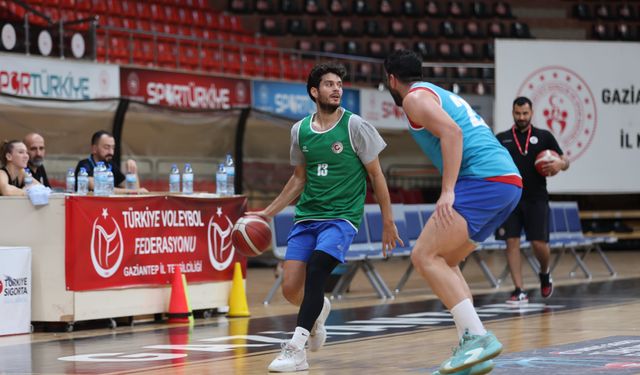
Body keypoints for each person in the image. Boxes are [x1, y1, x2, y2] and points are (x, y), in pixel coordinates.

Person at [254, 62, 403, 372]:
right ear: (314, 91)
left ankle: (296, 348)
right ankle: (319, 314)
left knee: (319, 268)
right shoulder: (300, 130)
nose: (337, 88)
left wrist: (388, 221)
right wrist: (267, 213)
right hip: (307, 216)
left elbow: (376, 175)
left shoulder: (355, 126)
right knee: (291, 287)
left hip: (342, 217)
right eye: (329, 84)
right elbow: (298, 178)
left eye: (339, 84)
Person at [384, 49, 522, 375]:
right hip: (508, 182)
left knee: (424, 255)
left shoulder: (414, 99)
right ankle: (471, 350)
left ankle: (476, 336)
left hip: (485, 179)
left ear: (391, 79)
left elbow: (453, 133)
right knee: (445, 261)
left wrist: (448, 191)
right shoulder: (436, 92)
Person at [496, 96, 570, 304]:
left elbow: (565, 160)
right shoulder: (501, 138)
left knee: (539, 243)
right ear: (513, 113)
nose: (521, 117)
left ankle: (544, 273)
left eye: (525, 113)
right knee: (511, 242)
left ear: (531, 113)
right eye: (518, 113)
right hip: (510, 199)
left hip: (536, 198)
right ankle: (518, 289)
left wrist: (560, 165)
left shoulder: (544, 137)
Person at [74, 130, 146, 194]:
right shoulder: (84, 165)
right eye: (106, 147)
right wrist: (134, 191)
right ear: (94, 149)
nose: (111, 152)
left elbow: (134, 189)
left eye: (113, 148)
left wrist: (133, 171)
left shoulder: (110, 165)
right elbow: (100, 188)